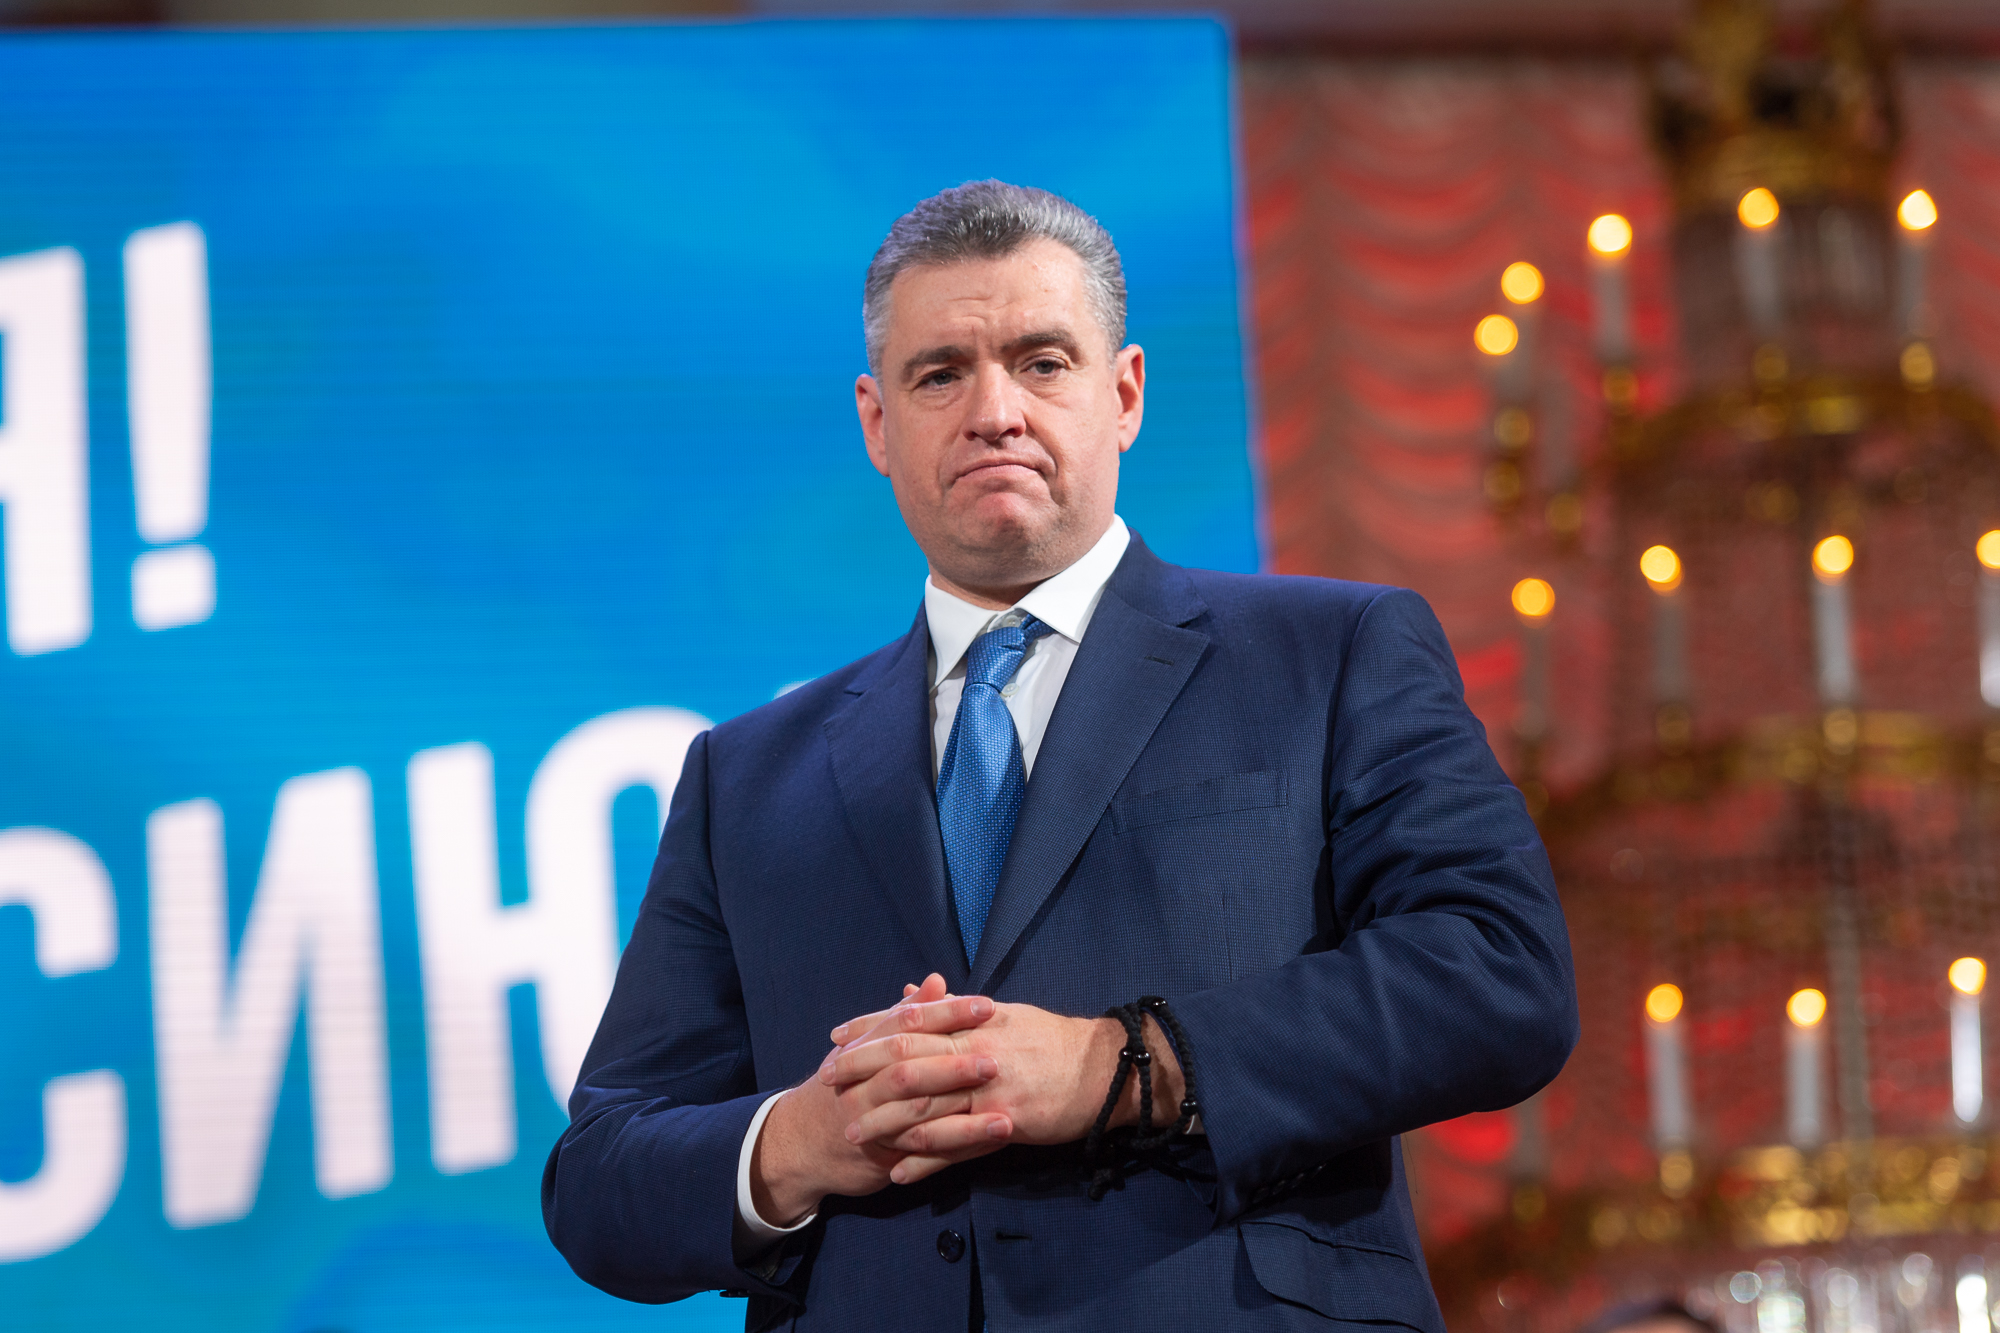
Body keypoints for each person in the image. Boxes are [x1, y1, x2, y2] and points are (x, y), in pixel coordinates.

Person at [542, 179, 1578, 1330]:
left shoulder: (1330, 651)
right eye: (940, 374)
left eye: (1040, 362)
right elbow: (597, 1177)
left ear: (1122, 393)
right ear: (876, 424)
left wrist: (1117, 1064)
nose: (993, 411)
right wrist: (797, 1140)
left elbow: (1496, 973)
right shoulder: (744, 777)